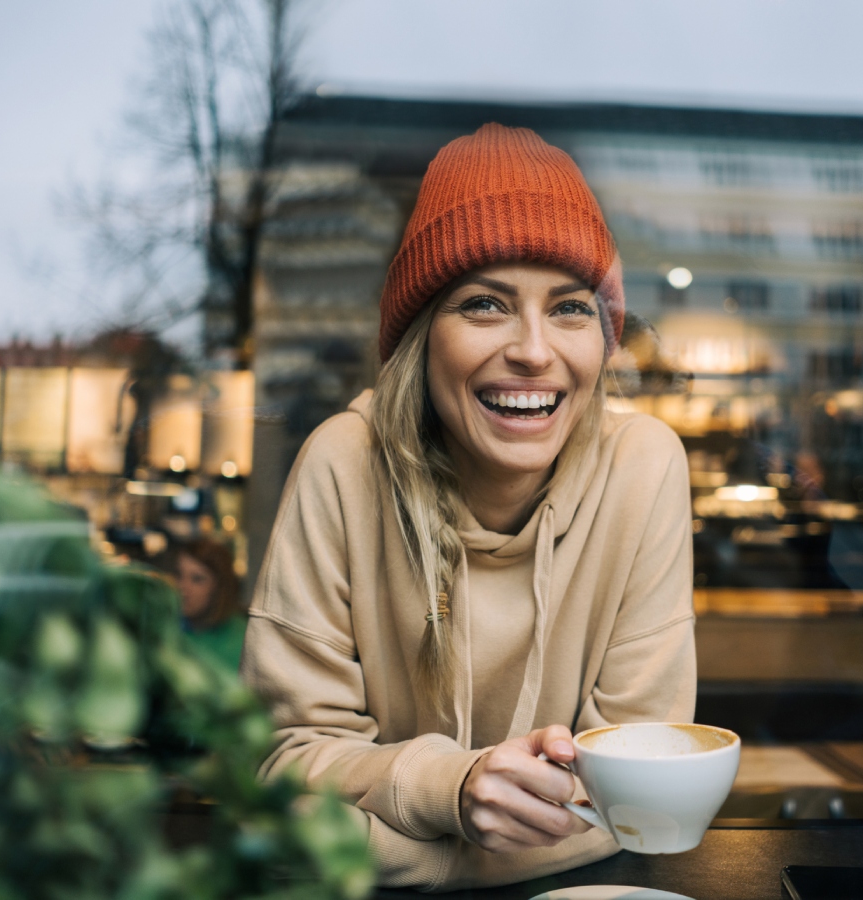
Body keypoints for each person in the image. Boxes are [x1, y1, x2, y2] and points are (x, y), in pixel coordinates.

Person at [241, 124, 695, 890]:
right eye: (485, 304)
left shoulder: (644, 467)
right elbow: (278, 772)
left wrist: (395, 843)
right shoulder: (342, 464)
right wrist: (449, 790)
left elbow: (640, 794)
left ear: (603, 340)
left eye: (570, 309)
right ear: (422, 339)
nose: (533, 350)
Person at [175, 538, 246, 671]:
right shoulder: (170, 626)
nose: (183, 588)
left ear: (219, 588)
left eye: (197, 579)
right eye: (179, 575)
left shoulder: (240, 643)